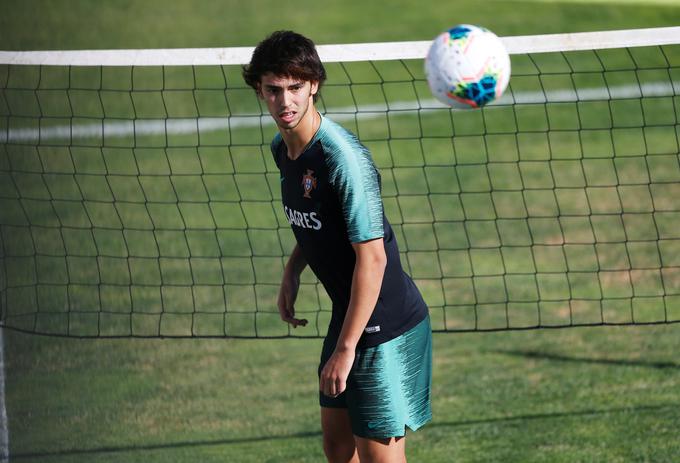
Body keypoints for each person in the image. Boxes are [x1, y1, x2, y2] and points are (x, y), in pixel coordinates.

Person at [243, 30, 432, 463]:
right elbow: (319, 223)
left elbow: (373, 256)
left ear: (314, 85)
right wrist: (293, 270)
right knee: (337, 446)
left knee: (379, 458)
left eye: (295, 88)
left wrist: (347, 350)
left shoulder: (343, 159)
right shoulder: (283, 149)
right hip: (347, 315)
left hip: (384, 326)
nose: (285, 102)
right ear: (260, 90)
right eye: (274, 90)